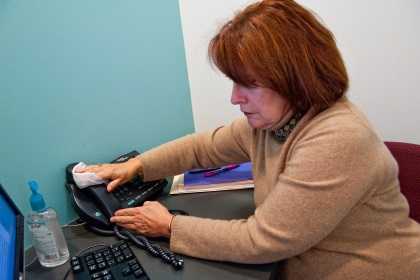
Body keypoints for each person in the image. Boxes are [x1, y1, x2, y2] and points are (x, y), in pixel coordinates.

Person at [80, 0, 420, 279]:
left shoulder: (337, 139)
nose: (234, 98)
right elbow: (204, 147)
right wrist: (137, 166)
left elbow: (263, 241)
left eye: (249, 84)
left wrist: (169, 226)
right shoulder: (276, 123)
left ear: (295, 79)